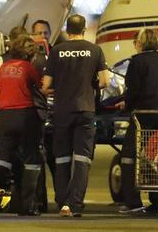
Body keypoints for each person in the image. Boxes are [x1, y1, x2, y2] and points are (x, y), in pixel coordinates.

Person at [41, 14, 109, 217]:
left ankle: (62, 202)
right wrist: (91, 87)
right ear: (84, 29)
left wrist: (59, 89)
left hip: (62, 111)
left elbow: (45, 85)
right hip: (85, 109)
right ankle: (74, 204)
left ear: (66, 29)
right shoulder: (95, 50)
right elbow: (105, 81)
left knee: (61, 158)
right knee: (82, 159)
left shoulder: (56, 51)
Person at [0, 36, 44, 216]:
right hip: (26, 115)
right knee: (32, 159)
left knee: (3, 157)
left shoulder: (3, 67)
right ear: (30, 54)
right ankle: (28, 205)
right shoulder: (28, 67)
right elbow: (42, 88)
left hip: (6, 117)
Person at [119, 29, 158, 215]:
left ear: (140, 43)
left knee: (129, 157)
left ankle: (132, 201)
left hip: (142, 117)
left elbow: (133, 90)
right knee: (156, 157)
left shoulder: (137, 61)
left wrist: (126, 105)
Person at [30, 19, 55, 212]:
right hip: (37, 114)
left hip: (55, 115)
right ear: (32, 35)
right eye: (39, 33)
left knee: (56, 160)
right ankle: (40, 202)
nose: (43, 37)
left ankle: (63, 199)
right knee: (37, 160)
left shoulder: (56, 54)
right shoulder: (28, 56)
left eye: (46, 33)